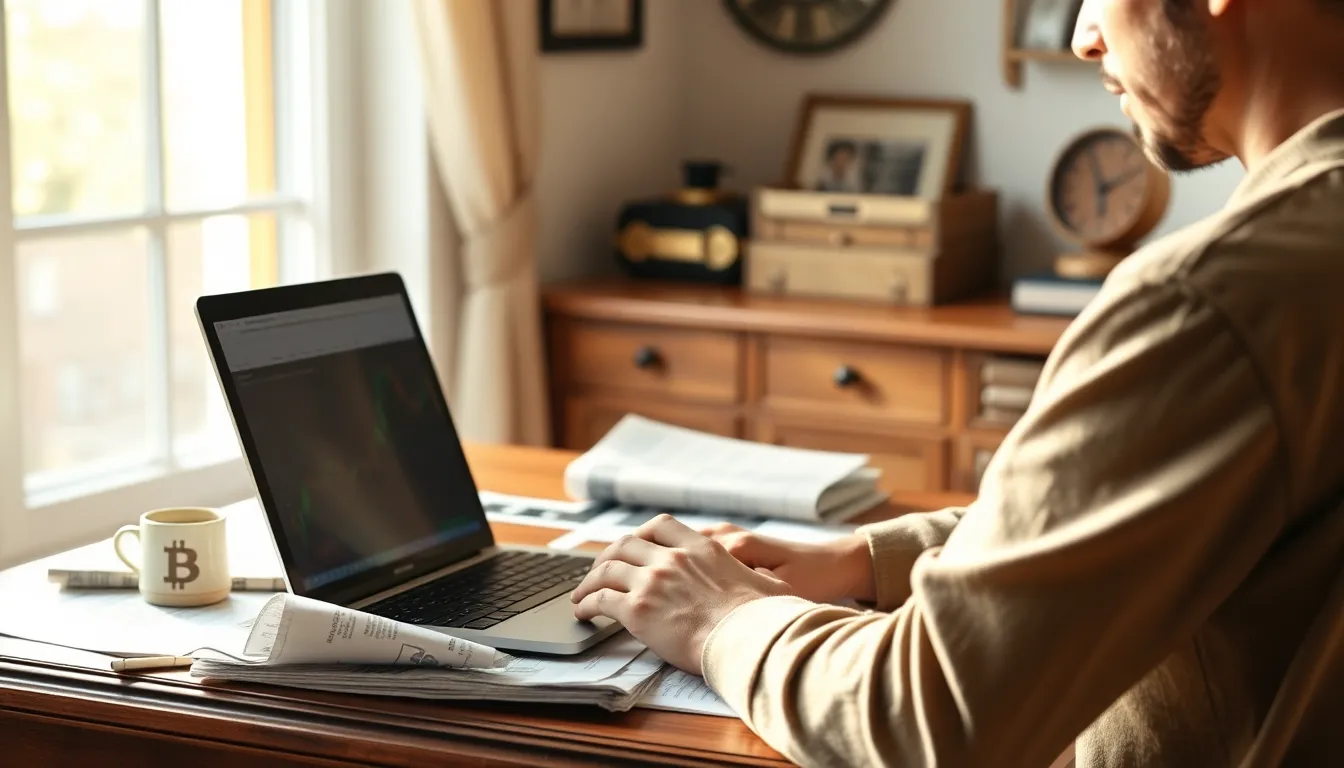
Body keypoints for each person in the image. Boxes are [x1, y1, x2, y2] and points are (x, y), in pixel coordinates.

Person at [570, 0, 1344, 765]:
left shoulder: (1208, 301)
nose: (1083, 37)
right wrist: (868, 562)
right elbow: (1180, 512)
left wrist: (719, 618)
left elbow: (925, 722)